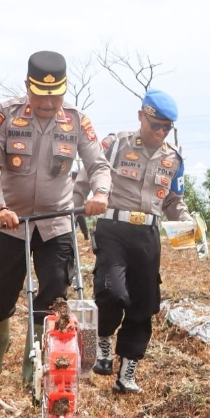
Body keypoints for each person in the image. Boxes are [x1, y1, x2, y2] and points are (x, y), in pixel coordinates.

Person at [0, 50, 111, 384]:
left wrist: (100, 192)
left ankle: (32, 358)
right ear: (27, 87)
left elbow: (98, 165)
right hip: (12, 223)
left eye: (55, 96)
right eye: (41, 96)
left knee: (54, 292)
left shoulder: (77, 120)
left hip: (57, 222)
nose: (49, 104)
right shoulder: (5, 116)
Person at [73, 89, 192, 394]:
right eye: (156, 125)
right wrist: (74, 211)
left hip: (148, 236)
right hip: (113, 227)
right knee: (112, 291)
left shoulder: (173, 158)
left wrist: (186, 221)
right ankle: (101, 341)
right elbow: (86, 179)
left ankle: (127, 373)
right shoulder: (115, 145)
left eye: (168, 127)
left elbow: (174, 200)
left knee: (144, 304)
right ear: (141, 116)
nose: (161, 132)